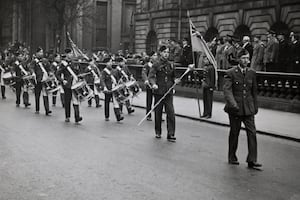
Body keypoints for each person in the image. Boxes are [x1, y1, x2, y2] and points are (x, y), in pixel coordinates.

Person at [223, 48, 262, 169]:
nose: (246, 60)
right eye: (244, 58)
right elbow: (227, 90)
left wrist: (255, 106)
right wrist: (233, 104)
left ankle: (252, 159)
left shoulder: (252, 73)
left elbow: (254, 92)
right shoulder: (231, 73)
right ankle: (232, 156)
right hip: (235, 109)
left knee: (252, 132)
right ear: (238, 59)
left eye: (248, 58)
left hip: (248, 109)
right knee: (235, 133)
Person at [148, 45, 178, 141]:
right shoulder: (156, 64)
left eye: (168, 52)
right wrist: (153, 84)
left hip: (168, 92)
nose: (166, 54)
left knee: (171, 113)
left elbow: (173, 77)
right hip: (159, 92)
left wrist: (175, 82)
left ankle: (171, 133)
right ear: (160, 53)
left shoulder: (171, 64)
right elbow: (151, 76)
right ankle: (158, 131)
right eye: (165, 52)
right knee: (158, 113)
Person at [55, 48, 83, 123]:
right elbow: (57, 74)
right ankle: (67, 116)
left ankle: (77, 117)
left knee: (76, 100)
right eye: (70, 53)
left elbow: (77, 72)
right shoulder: (63, 64)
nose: (72, 55)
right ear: (67, 54)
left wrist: (80, 76)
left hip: (75, 84)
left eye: (71, 53)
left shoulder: (74, 63)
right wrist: (62, 80)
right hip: (67, 84)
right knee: (67, 101)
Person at [100, 57, 124, 122]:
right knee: (107, 102)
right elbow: (102, 80)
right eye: (109, 62)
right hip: (108, 89)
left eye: (111, 62)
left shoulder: (114, 70)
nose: (111, 63)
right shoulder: (104, 72)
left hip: (115, 89)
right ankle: (107, 116)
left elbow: (118, 78)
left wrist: (120, 80)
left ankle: (118, 116)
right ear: (106, 63)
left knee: (116, 102)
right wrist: (104, 87)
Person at [30, 47, 52, 115]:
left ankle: (47, 110)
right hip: (38, 79)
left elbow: (49, 68)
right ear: (36, 53)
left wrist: (50, 72)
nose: (41, 53)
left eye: (42, 52)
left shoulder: (45, 60)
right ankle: (37, 109)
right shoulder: (34, 61)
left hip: (44, 79)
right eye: (40, 52)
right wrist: (33, 73)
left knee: (45, 94)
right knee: (37, 94)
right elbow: (31, 67)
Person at [142, 51, 158, 121]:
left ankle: (158, 115)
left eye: (156, 55)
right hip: (149, 85)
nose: (156, 57)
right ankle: (148, 114)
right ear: (151, 57)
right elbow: (144, 73)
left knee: (158, 101)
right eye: (154, 55)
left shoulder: (157, 65)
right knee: (149, 101)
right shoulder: (147, 65)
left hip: (156, 84)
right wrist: (146, 80)